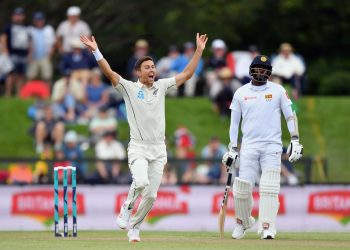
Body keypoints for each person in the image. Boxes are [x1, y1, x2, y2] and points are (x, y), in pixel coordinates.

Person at [80, 32, 208, 242]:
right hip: (138, 147)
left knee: (151, 196)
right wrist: (96, 51)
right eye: (147, 67)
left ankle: (135, 228)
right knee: (140, 181)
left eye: (153, 67)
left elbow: (186, 74)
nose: (152, 70)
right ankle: (126, 208)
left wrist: (199, 50)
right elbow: (110, 73)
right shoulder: (129, 88)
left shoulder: (162, 86)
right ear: (138, 72)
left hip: (159, 149)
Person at [222, 55, 303, 240]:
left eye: (264, 68)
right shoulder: (241, 92)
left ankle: (267, 227)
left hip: (272, 146)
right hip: (249, 146)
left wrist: (295, 139)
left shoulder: (278, 90)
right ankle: (243, 222)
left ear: (269, 72)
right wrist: (232, 148)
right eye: (257, 68)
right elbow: (234, 124)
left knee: (269, 187)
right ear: (251, 70)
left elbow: (290, 115)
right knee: (242, 187)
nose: (261, 71)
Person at [1, 7, 31, 96]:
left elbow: (29, 41)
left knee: (21, 75)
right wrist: (5, 50)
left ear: (23, 17)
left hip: (23, 54)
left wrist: (29, 53)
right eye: (16, 15)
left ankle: (19, 94)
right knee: (10, 75)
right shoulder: (8, 26)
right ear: (13, 16)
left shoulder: (26, 28)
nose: (18, 17)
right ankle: (8, 94)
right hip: (11, 54)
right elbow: (3, 38)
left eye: (20, 15)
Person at [27, 11, 56, 84]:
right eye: (37, 20)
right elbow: (28, 44)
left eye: (40, 19)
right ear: (34, 21)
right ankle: (30, 93)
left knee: (47, 77)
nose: (38, 21)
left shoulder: (48, 29)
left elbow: (53, 44)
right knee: (31, 76)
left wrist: (50, 56)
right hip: (34, 57)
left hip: (45, 57)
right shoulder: (30, 30)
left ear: (43, 20)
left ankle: (46, 94)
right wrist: (29, 56)